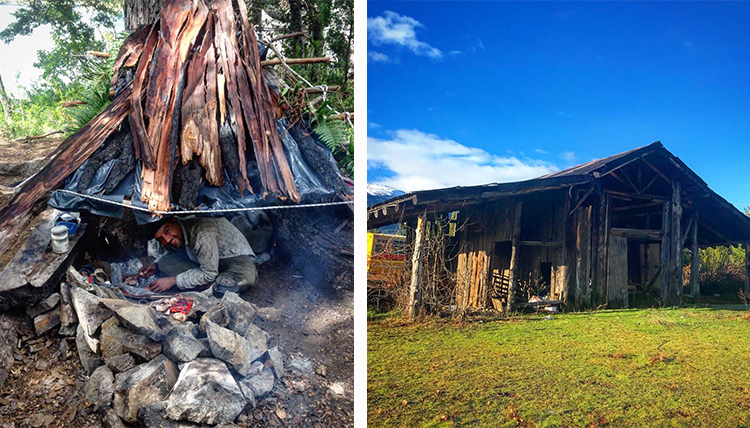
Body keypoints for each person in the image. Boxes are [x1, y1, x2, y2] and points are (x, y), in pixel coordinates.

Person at [140, 216, 258, 293]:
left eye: (167, 231)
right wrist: (156, 265)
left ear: (175, 221)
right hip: (202, 260)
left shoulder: (202, 234)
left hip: (233, 259)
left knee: (246, 278)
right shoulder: (178, 232)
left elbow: (209, 273)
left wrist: (172, 281)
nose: (167, 239)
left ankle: (211, 286)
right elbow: (173, 254)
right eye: (161, 239)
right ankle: (209, 285)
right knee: (164, 263)